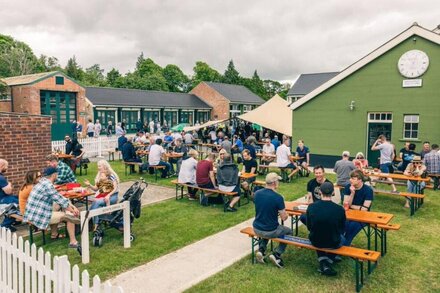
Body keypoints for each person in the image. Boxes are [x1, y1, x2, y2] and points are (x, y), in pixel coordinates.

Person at [23, 167, 80, 247]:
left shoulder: (43, 182)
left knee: (60, 205)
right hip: (38, 217)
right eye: (57, 173)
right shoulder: (48, 185)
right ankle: (73, 242)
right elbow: (60, 200)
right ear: (54, 175)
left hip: (33, 214)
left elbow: (59, 198)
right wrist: (72, 210)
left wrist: (72, 206)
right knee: (70, 216)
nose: (57, 175)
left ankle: (54, 234)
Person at [253, 173, 292, 268]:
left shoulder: (257, 193)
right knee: (289, 231)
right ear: (274, 183)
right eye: (278, 181)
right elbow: (284, 218)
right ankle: (277, 254)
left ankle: (261, 250)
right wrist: (286, 213)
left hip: (256, 227)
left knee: (267, 225)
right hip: (270, 230)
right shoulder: (278, 197)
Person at [306, 182, 346, 276]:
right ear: (332, 192)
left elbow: (309, 227)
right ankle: (328, 262)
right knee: (344, 239)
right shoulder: (339, 209)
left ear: (320, 192)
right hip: (333, 242)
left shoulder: (311, 207)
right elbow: (342, 229)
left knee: (319, 233)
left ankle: (324, 261)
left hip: (315, 240)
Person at [84, 160, 119, 230]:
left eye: (99, 166)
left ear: (104, 166)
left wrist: (109, 195)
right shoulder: (100, 175)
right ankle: (95, 224)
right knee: (97, 205)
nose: (98, 167)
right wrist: (89, 185)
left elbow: (115, 188)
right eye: (98, 166)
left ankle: (88, 219)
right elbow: (96, 189)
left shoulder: (110, 175)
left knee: (96, 202)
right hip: (103, 196)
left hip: (112, 196)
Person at [342, 170, 373, 246]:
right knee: (342, 224)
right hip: (349, 214)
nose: (350, 180)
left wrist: (351, 206)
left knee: (352, 226)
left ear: (360, 180)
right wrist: (352, 193)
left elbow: (364, 209)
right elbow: (345, 205)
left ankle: (344, 245)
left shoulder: (368, 190)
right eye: (350, 178)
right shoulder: (348, 187)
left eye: (353, 178)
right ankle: (341, 243)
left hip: (362, 216)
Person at [0, 159, 19, 230]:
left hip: (3, 198)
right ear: (2, 166)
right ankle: (5, 225)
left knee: (18, 198)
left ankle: (11, 222)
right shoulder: (0, 178)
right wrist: (9, 184)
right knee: (18, 204)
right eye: (6, 166)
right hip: (2, 199)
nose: (7, 168)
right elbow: (8, 191)